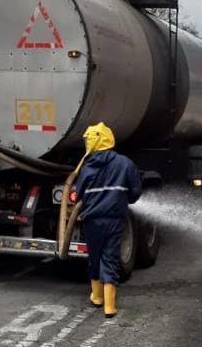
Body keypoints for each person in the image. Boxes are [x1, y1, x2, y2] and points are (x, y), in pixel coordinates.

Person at [72, 122, 141, 318]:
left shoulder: (86, 167)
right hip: (115, 220)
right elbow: (135, 192)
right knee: (110, 258)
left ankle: (96, 296)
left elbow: (78, 195)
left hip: (92, 221)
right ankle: (109, 307)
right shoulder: (125, 163)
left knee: (94, 257)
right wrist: (123, 199)